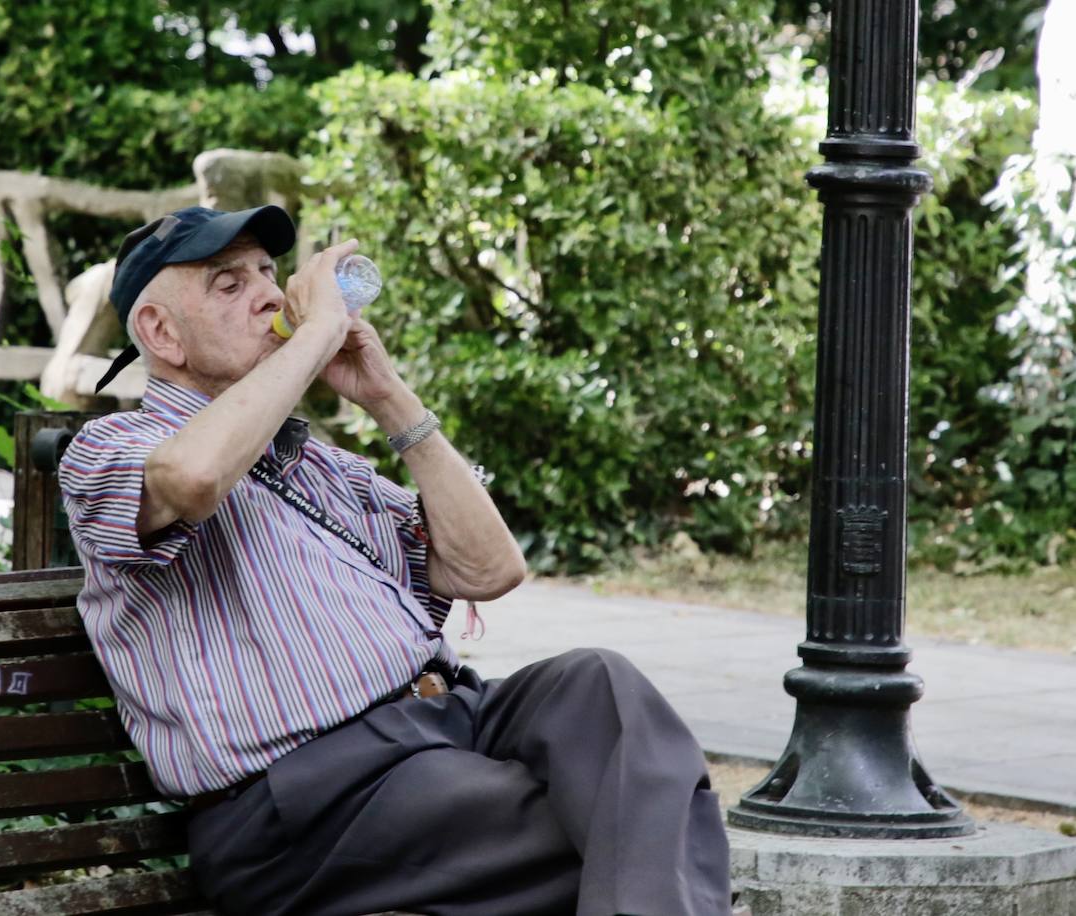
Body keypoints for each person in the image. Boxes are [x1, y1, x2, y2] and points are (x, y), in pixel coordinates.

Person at [58, 205, 731, 916]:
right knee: (629, 820)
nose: (268, 294)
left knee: (601, 686)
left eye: (266, 272)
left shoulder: (316, 464)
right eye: (228, 285)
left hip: (444, 727)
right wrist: (316, 334)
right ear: (161, 332)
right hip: (308, 802)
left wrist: (387, 396)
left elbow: (488, 570)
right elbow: (191, 480)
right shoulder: (110, 449)